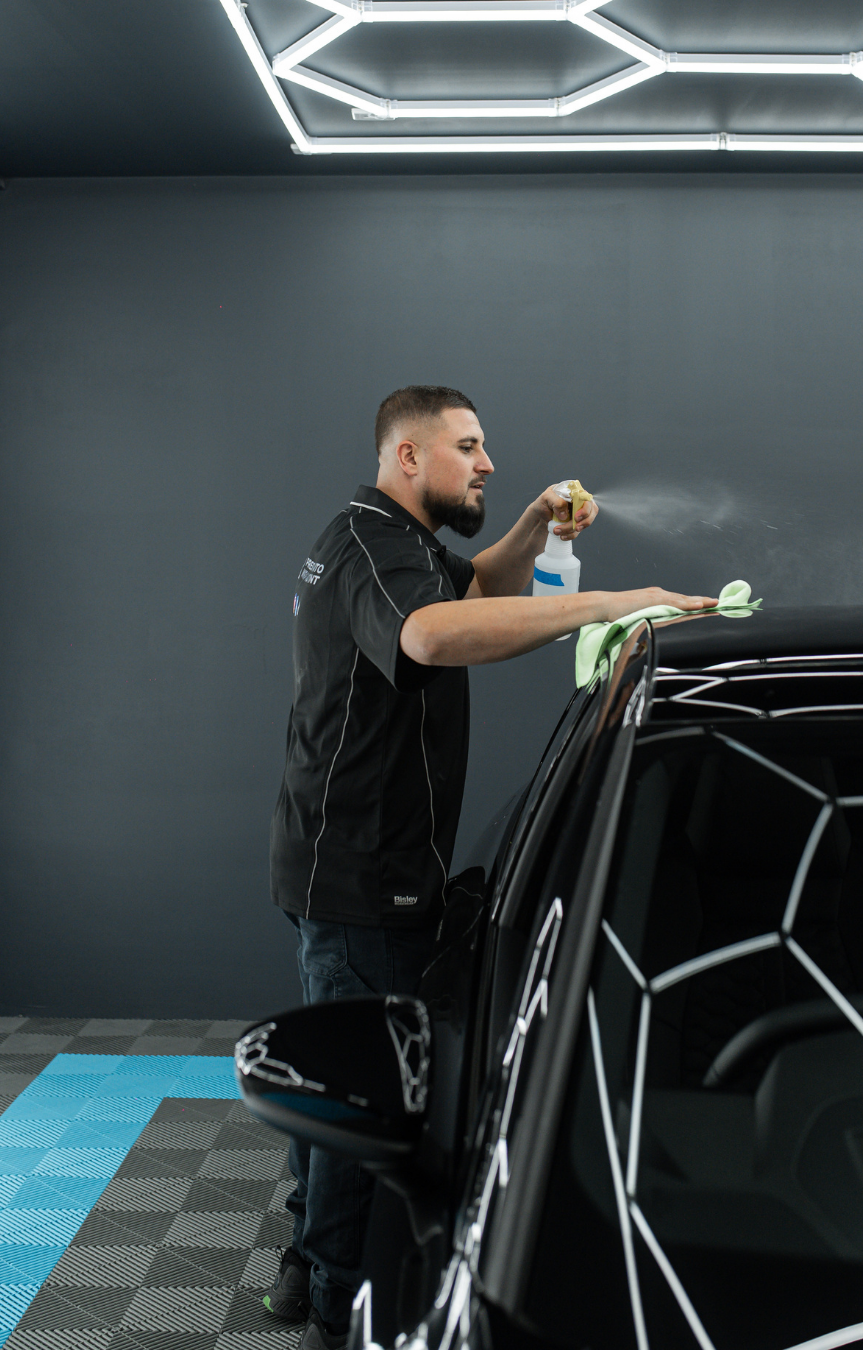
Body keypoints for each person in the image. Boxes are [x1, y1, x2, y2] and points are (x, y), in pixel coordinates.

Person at [266, 385, 716, 1349]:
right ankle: (344, 1303)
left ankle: (307, 1257)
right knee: (369, 1095)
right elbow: (431, 636)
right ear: (408, 459)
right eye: (469, 448)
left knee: (337, 1058)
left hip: (352, 862)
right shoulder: (367, 538)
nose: (488, 462)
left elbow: (469, 599)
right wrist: (612, 604)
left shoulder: (397, 539)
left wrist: (527, 530)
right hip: (358, 873)